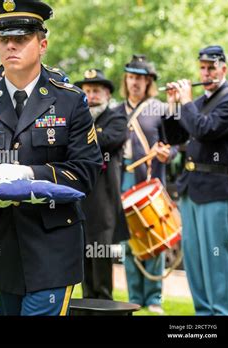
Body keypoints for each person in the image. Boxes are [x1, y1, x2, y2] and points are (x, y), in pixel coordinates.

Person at [0, 0, 102, 316]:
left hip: (53, 244)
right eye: (3, 38)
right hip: (2, 243)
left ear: (42, 44)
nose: (10, 45)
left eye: (21, 38)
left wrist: (30, 175)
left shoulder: (70, 101)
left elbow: (85, 172)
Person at [163, 45, 228, 315]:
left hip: (215, 187)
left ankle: (225, 313)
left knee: (217, 257)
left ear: (223, 69)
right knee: (194, 259)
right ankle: (204, 315)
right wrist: (173, 105)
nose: (205, 73)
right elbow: (175, 138)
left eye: (211, 68)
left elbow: (205, 130)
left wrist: (187, 102)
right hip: (190, 187)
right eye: (202, 68)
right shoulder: (199, 103)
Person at [113, 54, 177, 314]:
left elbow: (173, 147)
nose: (135, 83)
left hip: (150, 181)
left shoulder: (160, 109)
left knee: (154, 238)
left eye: (140, 78)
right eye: (131, 77)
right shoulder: (116, 111)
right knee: (130, 241)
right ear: (126, 80)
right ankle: (135, 296)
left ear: (149, 82)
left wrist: (166, 154)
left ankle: (154, 299)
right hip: (121, 179)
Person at [75, 69, 127, 300]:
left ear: (106, 93)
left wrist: (81, 134)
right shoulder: (78, 118)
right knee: (82, 251)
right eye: (86, 91)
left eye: (96, 91)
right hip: (81, 197)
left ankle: (104, 303)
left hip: (104, 200)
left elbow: (108, 140)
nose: (91, 96)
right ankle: (86, 301)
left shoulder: (117, 117)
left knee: (101, 252)